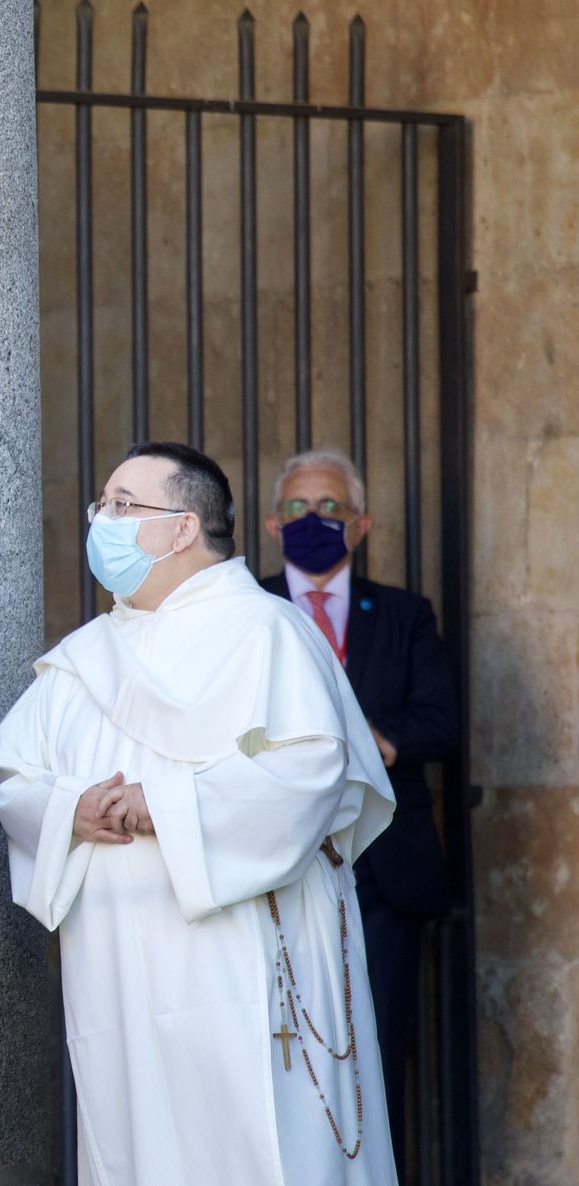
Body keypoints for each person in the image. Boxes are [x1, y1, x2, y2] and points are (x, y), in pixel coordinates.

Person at [0, 441, 399, 1185]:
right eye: (101, 507)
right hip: (116, 967)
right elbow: (13, 777)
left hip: (246, 955)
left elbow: (309, 773)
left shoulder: (267, 632)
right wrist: (70, 808)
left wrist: (164, 805)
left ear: (183, 528)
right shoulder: (83, 659)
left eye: (123, 506)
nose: (103, 522)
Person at [263, 447, 456, 1170]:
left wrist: (375, 743)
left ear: (362, 523)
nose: (312, 520)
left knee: (379, 1049)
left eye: (330, 508)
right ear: (271, 526)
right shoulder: (248, 608)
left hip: (383, 871)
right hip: (274, 865)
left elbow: (442, 722)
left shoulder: (404, 615)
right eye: (296, 509)